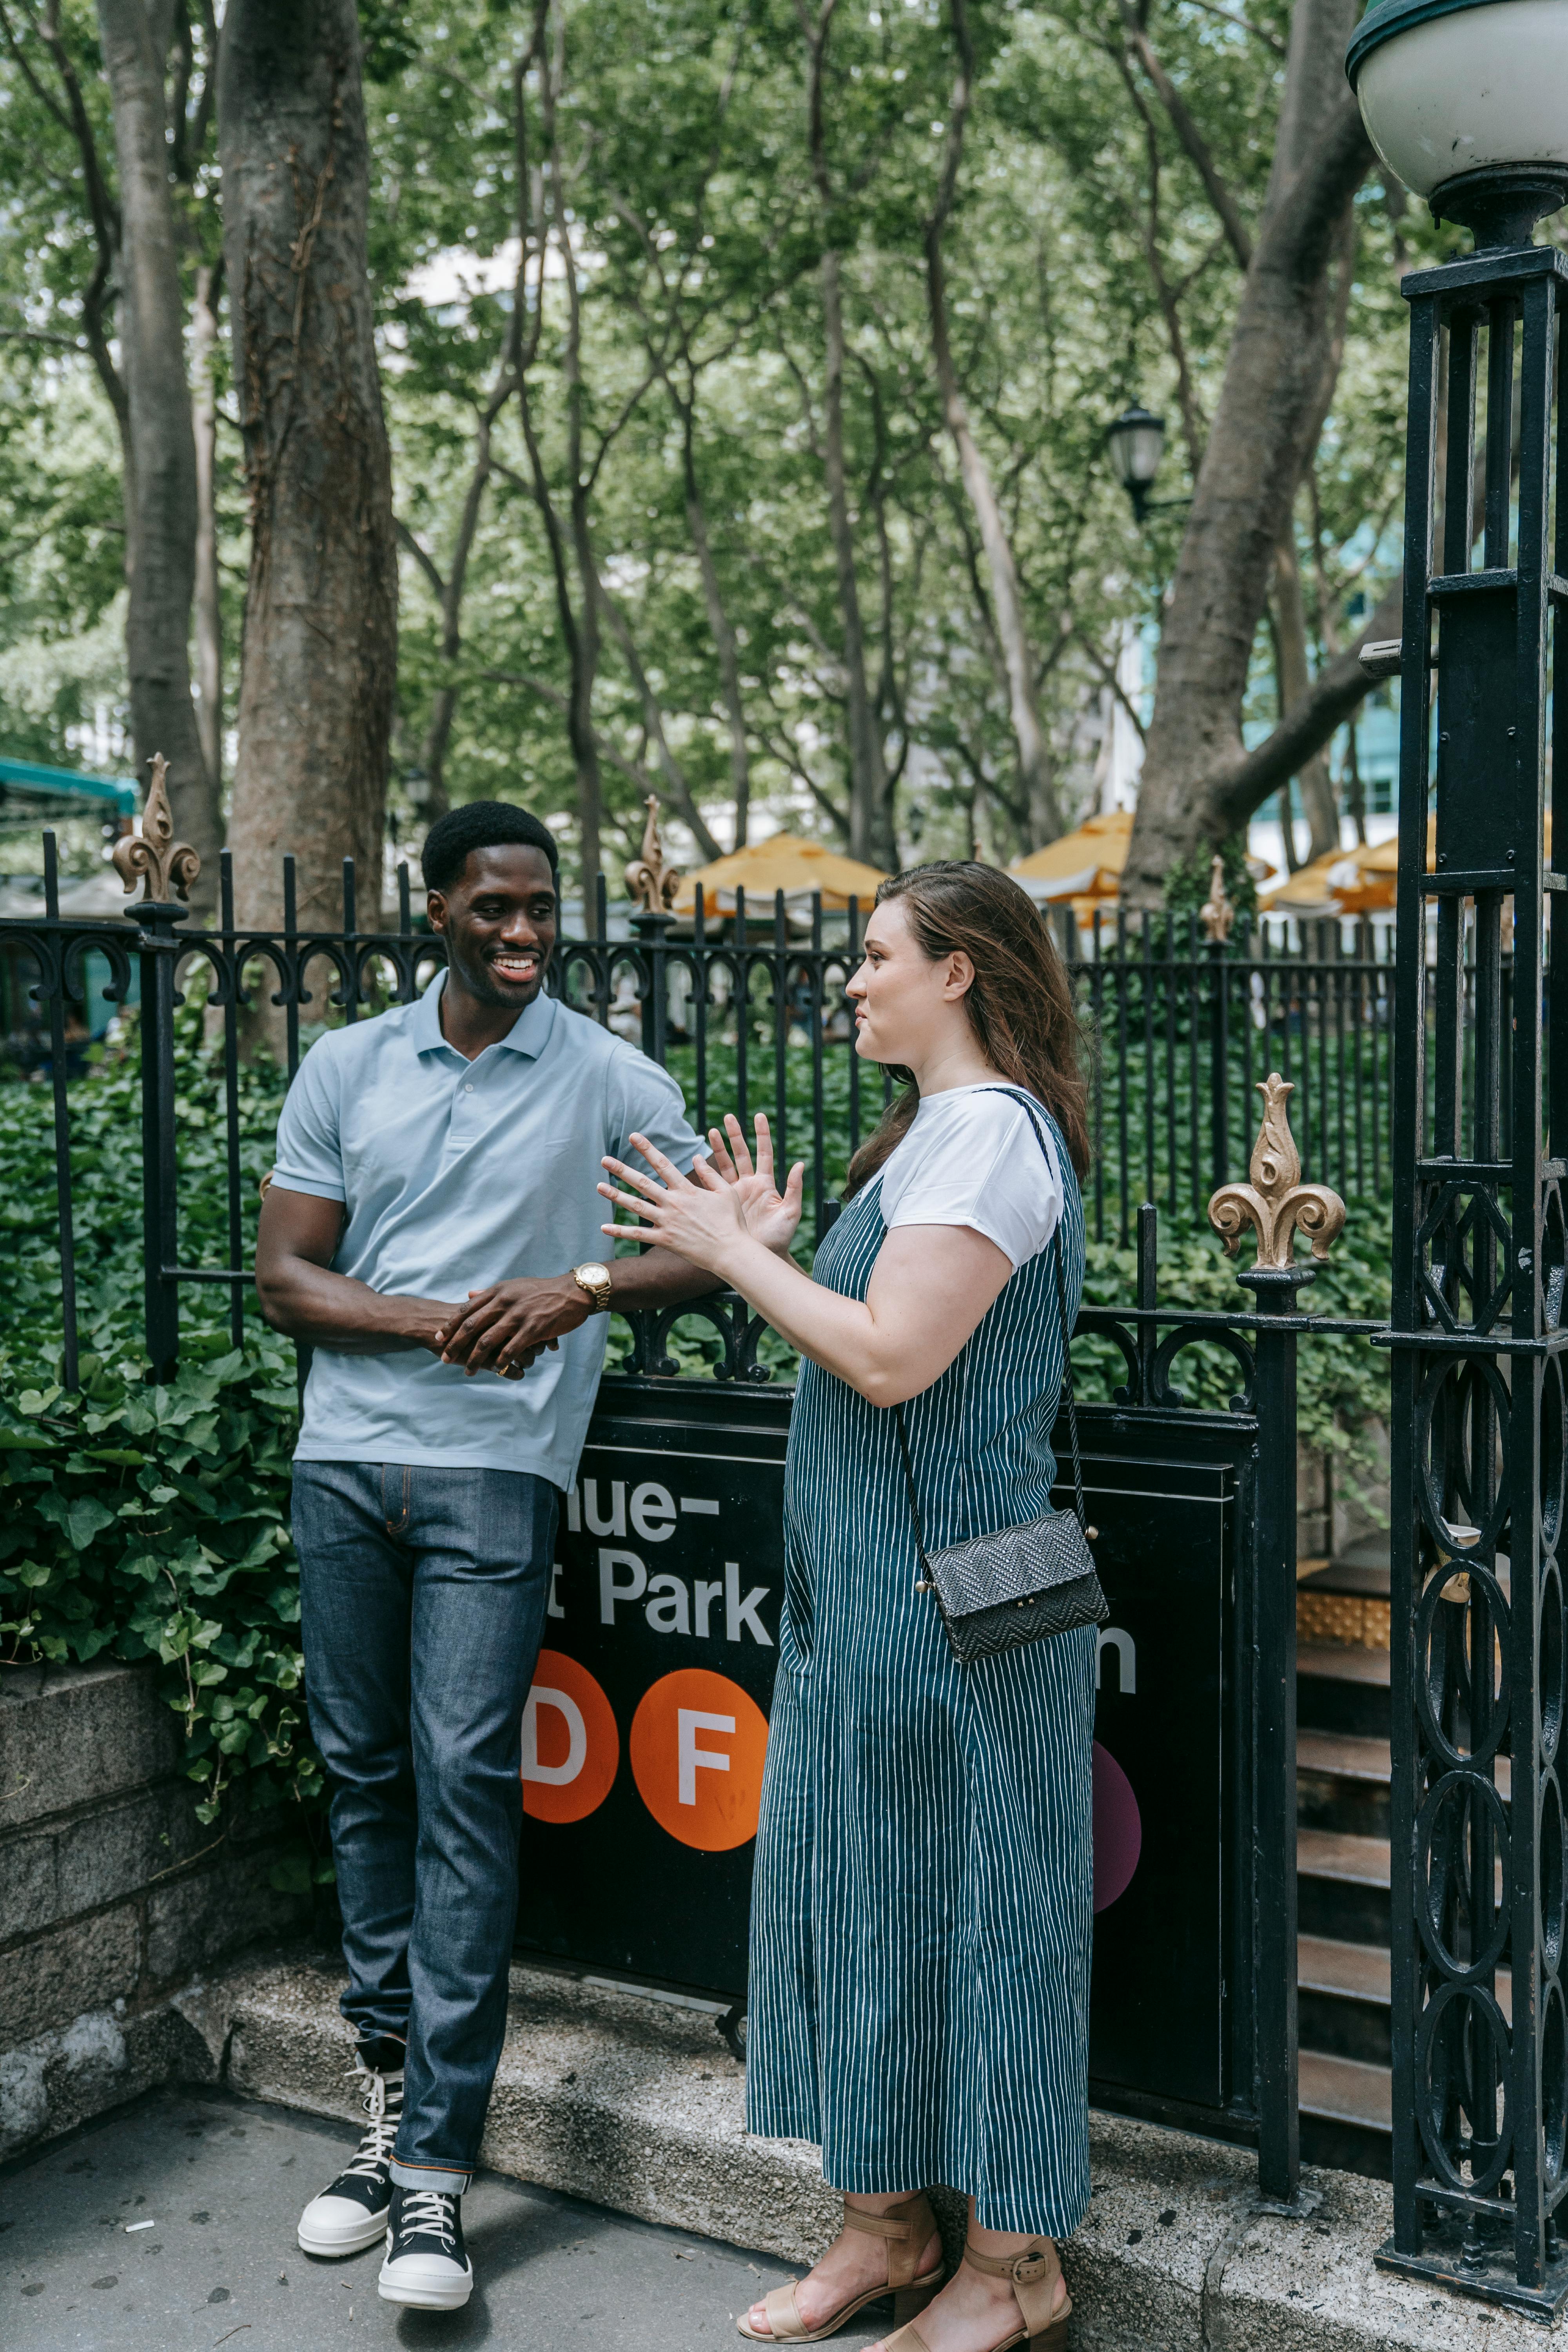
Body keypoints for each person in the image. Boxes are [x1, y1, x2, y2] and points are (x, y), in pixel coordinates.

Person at [597, 861, 1093, 2352]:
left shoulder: (994, 1136)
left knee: (994, 1920)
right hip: (874, 1604)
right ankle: (886, 2226)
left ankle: (1014, 2269)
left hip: (960, 1609)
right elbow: (872, 1334)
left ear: (960, 973)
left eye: (877, 956)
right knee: (869, 1911)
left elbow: (890, 1358)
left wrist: (739, 1255)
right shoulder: (932, 1136)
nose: (854, 980)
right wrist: (764, 1244)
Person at [254, 801, 722, 2313]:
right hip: (344, 1468)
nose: (523, 935)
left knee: (463, 1784)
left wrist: (579, 1284)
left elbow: (720, 1242)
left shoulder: (605, 1074)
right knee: (366, 1774)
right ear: (437, 905)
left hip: (497, 1481)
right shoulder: (348, 1067)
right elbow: (288, 1276)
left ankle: (440, 2176)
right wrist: (440, 1318)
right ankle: (383, 2120)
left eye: (542, 912)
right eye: (495, 909)